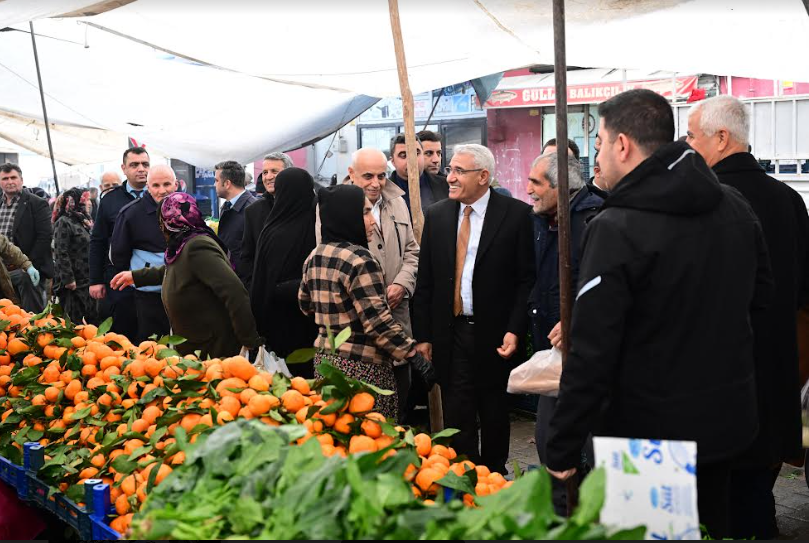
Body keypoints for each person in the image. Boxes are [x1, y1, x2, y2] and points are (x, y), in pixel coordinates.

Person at [544, 89, 771, 540]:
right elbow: (760, 303)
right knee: (711, 529)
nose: (599, 156)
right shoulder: (735, 207)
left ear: (623, 145)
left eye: (601, 143)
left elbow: (592, 351)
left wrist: (561, 449)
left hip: (646, 440)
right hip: (724, 425)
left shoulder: (615, 227)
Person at [687, 95, 809, 540]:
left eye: (692, 137)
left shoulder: (705, 202)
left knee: (716, 504)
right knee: (757, 491)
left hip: (716, 379)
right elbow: (802, 297)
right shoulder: (790, 200)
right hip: (776, 371)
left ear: (722, 138)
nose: (687, 147)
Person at [412, 144, 535, 474]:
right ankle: (465, 474)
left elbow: (526, 280)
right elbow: (425, 282)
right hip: (450, 332)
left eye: (458, 171)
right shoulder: (437, 216)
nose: (449, 177)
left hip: (494, 333)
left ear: (483, 176)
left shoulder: (516, 215)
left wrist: (515, 328)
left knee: (494, 408)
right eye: (449, 169)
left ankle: (494, 474)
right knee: (458, 409)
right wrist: (423, 336)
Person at [300, 185, 433, 421]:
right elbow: (377, 323)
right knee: (372, 437)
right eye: (364, 213)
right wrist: (413, 355)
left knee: (337, 435)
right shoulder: (361, 260)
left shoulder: (316, 254)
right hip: (363, 368)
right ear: (346, 216)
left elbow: (305, 304)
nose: (373, 221)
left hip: (326, 362)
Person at [526, 152, 603, 514]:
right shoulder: (545, 220)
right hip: (554, 354)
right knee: (550, 440)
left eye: (536, 183)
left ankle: (576, 512)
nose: (528, 190)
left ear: (561, 188)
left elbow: (598, 284)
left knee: (569, 441)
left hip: (582, 354)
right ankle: (564, 510)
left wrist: (575, 317)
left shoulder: (591, 220)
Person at [110, 192, 262, 359]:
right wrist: (137, 276)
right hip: (196, 345)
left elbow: (234, 292)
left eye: (161, 220)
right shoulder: (183, 243)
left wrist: (249, 341)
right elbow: (176, 270)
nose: (160, 226)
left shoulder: (197, 246)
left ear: (171, 219)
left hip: (213, 351)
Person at [345, 148, 420, 414]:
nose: (376, 183)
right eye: (368, 176)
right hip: (358, 331)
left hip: (397, 319)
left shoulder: (397, 201)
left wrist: (402, 284)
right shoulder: (335, 206)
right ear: (351, 174)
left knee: (399, 401)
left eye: (381, 175)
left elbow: (412, 251)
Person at [251, 167, 318, 378]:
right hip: (309, 320)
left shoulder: (271, 229)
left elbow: (262, 282)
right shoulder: (315, 227)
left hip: (276, 323)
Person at [110, 164, 176, 342]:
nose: (162, 190)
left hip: (181, 291)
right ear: (148, 187)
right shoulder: (131, 213)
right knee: (152, 343)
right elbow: (118, 255)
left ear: (176, 185)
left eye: (167, 184)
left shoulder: (185, 209)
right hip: (148, 294)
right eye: (155, 185)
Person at [89, 148, 149, 337]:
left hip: (152, 280)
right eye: (134, 165)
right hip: (119, 280)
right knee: (123, 335)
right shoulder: (110, 200)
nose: (141, 169)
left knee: (154, 339)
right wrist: (96, 280)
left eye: (145, 164)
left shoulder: (160, 197)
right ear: (124, 168)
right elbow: (98, 241)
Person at [0, 163, 51, 312]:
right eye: (5, 178)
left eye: (13, 177)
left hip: (26, 269)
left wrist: (27, 265)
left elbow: (44, 237)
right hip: (3, 269)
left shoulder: (37, 203)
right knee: (7, 314)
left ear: (21, 180)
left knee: (30, 315)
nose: (10, 181)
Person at [241, 152, 292, 288]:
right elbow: (247, 256)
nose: (268, 177)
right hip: (265, 294)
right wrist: (253, 287)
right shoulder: (253, 211)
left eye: (274, 171)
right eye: (264, 172)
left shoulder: (307, 206)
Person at [52, 188, 97, 324]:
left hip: (87, 280)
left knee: (92, 321)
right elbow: (60, 252)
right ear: (75, 202)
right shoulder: (64, 222)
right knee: (75, 323)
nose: (89, 203)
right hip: (74, 284)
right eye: (86, 199)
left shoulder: (85, 221)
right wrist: (69, 280)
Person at [214, 160, 256, 282]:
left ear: (227, 183)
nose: (214, 184)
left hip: (246, 285)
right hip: (231, 282)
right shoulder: (227, 207)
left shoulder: (253, 209)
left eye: (216, 181)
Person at [389, 134, 448, 215]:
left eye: (416, 153)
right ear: (393, 161)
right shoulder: (383, 191)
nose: (411, 160)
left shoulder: (446, 185)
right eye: (403, 155)